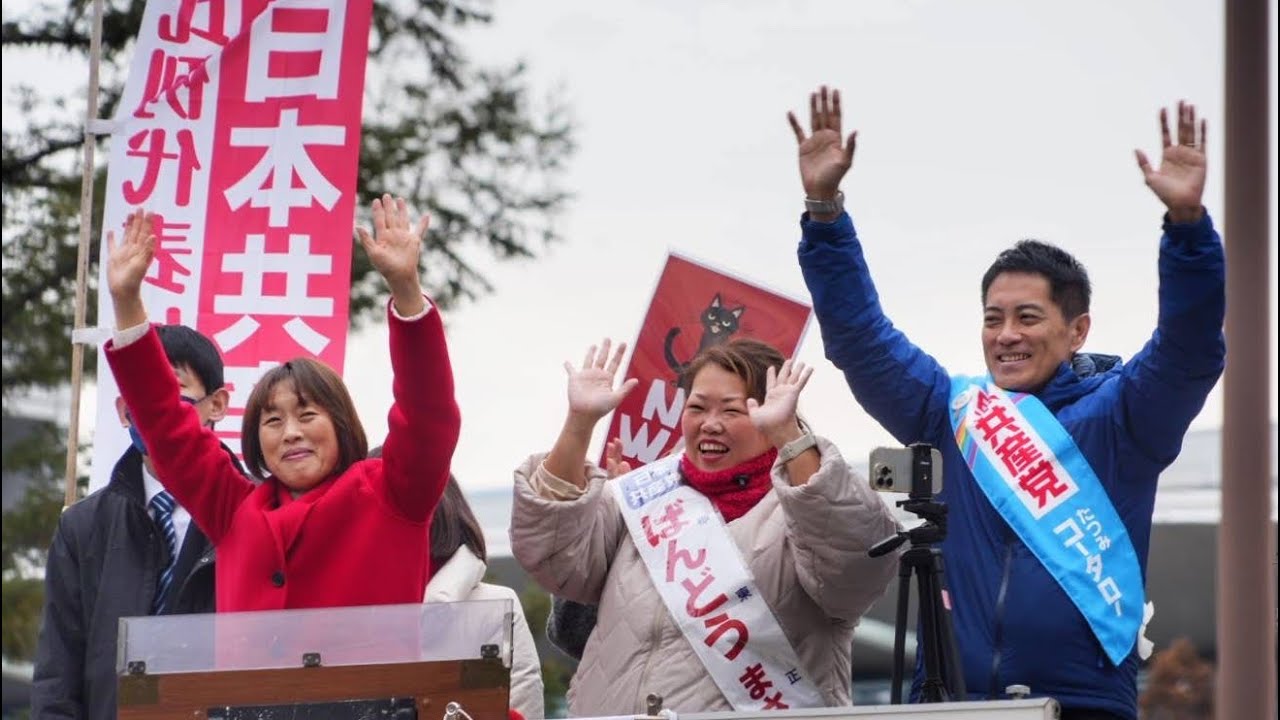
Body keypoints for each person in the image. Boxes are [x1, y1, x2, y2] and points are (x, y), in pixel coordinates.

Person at [787, 86, 1224, 720]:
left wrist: (1187, 231)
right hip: (951, 704)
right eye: (993, 319)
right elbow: (860, 339)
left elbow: (1189, 348)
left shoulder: (1124, 416)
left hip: (1082, 704)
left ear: (1078, 330)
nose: (1006, 335)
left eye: (1027, 317)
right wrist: (824, 213)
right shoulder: (952, 411)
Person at [101, 195, 461, 612]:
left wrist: (407, 292)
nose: (291, 432)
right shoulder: (233, 507)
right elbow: (166, 424)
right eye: (272, 421)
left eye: (307, 414)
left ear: (342, 425)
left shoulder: (391, 492)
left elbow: (428, 414)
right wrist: (127, 302)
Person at [510, 337, 900, 714]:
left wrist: (791, 439)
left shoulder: (804, 504)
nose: (711, 424)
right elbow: (551, 556)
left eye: (732, 411)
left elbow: (855, 572)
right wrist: (580, 423)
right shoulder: (641, 497)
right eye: (697, 407)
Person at [32, 324, 244, 719]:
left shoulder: (253, 513)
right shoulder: (83, 527)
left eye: (170, 400)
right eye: (141, 403)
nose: (156, 416)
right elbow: (56, 677)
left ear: (217, 404)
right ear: (122, 411)